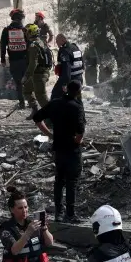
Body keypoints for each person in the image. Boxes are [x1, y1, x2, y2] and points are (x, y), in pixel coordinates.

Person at [32, 80, 86, 222]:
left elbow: (37, 118)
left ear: (65, 89)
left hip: (59, 148)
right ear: (79, 91)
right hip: (72, 150)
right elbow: (80, 131)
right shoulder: (77, 107)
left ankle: (58, 213)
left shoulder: (55, 103)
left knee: (59, 181)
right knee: (71, 182)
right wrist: (78, 140)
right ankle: (70, 214)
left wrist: (50, 134)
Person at [0, 9, 30, 108]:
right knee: (27, 82)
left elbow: (2, 46)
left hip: (13, 61)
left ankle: (22, 103)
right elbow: (30, 45)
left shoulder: (6, 30)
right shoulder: (25, 30)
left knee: (18, 83)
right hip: (25, 61)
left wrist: (3, 60)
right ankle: (31, 103)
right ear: (20, 19)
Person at [22, 24, 52, 111]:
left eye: (27, 32)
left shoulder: (33, 46)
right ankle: (35, 110)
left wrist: (26, 76)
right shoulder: (41, 41)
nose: (25, 34)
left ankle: (51, 118)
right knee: (27, 90)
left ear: (31, 33)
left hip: (39, 74)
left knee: (41, 97)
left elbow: (33, 64)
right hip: (39, 73)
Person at [50, 33, 84, 101]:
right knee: (76, 99)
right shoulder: (75, 47)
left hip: (69, 79)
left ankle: (55, 111)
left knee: (55, 95)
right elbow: (82, 63)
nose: (57, 44)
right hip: (79, 78)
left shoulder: (64, 50)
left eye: (57, 41)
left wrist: (65, 84)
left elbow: (66, 68)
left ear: (62, 40)